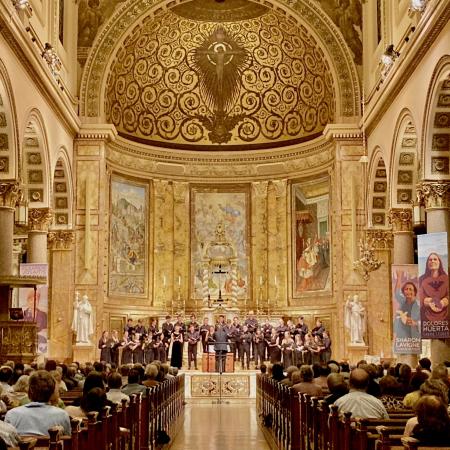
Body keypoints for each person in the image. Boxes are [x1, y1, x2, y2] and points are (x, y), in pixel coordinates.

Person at [5, 370, 71, 436]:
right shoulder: (62, 415)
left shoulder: (11, 414)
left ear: (29, 392)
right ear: (52, 393)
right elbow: (68, 441)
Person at [419, 252, 449, 323]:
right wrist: (429, 302)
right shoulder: (421, 279)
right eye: (430, 259)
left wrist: (443, 302)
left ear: (439, 262)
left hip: (446, 316)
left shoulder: (447, 278)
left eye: (435, 259)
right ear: (427, 264)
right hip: (427, 317)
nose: (432, 261)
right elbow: (420, 297)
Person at [394, 275, 420, 341]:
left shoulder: (419, 305)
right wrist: (399, 277)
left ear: (415, 292)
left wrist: (415, 323)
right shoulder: (402, 301)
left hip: (415, 337)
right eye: (406, 289)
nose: (408, 291)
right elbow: (397, 293)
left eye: (410, 289)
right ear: (403, 292)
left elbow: (425, 322)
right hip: (402, 337)